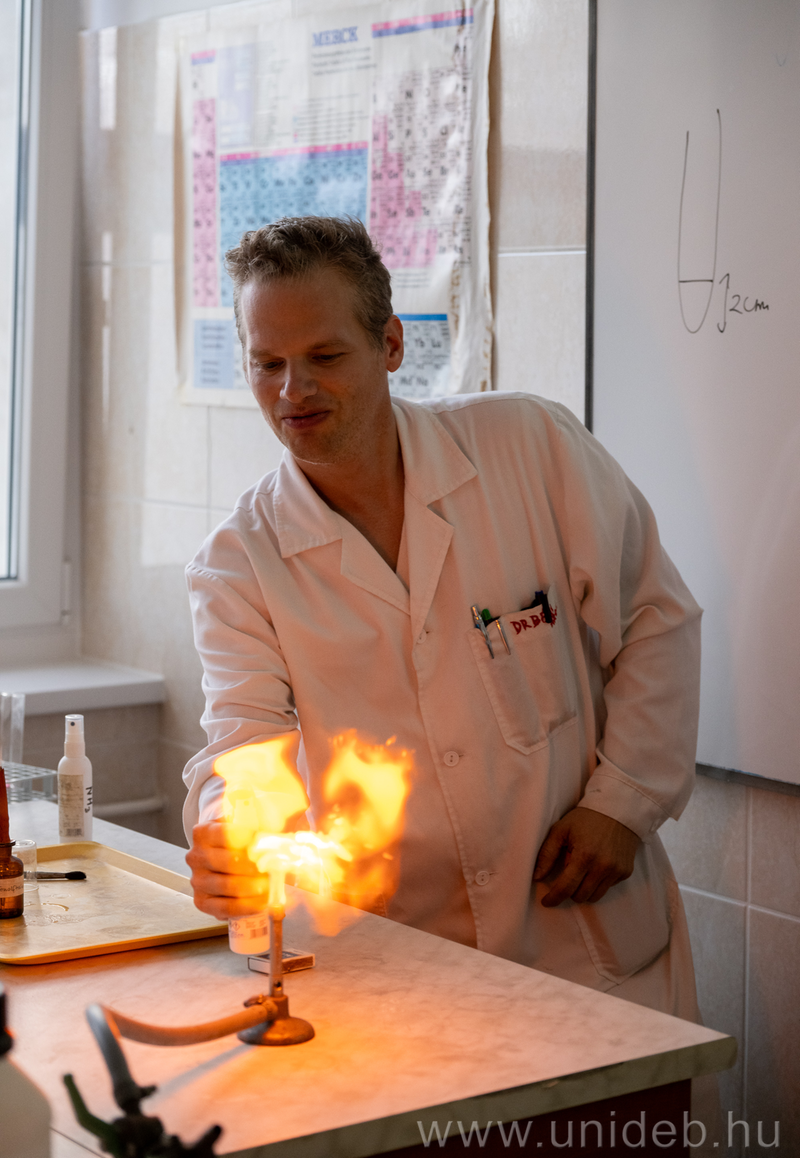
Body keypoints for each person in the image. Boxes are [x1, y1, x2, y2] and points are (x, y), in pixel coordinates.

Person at [183, 215, 702, 1021]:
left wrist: (623, 804)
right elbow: (242, 744)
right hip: (400, 965)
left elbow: (656, 616)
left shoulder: (529, 446)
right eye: (267, 364)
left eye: (325, 357)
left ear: (390, 344)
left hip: (588, 946)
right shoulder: (240, 562)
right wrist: (231, 830)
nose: (292, 391)